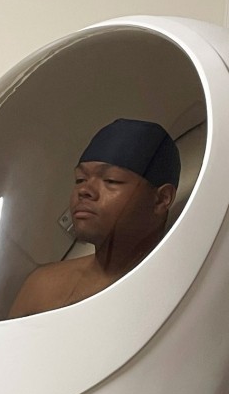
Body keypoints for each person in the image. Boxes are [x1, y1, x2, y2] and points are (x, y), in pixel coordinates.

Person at [9, 118, 180, 318]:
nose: (84, 190)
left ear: (161, 199)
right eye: (80, 179)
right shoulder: (42, 287)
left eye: (111, 180)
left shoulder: (185, 291)